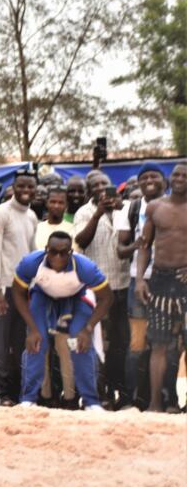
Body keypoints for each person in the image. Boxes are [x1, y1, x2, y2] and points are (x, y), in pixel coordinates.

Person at [13, 232, 112, 410]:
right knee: (37, 341)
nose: (58, 257)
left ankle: (91, 401)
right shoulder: (31, 263)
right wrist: (32, 328)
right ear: (46, 251)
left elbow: (107, 297)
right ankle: (28, 399)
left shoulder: (85, 267)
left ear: (71, 252)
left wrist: (88, 328)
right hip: (43, 297)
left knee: (78, 342)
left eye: (63, 253)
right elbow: (18, 293)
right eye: (53, 252)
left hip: (76, 298)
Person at [73, 171, 130, 407]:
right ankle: (100, 394)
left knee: (121, 343)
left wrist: (116, 209)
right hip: (99, 290)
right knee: (99, 345)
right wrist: (97, 215)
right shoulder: (84, 212)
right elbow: (81, 241)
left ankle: (122, 394)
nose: (100, 188)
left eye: (104, 184)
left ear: (112, 187)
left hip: (124, 285)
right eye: (94, 185)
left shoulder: (126, 208)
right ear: (90, 192)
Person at [134, 162, 187, 412]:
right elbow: (144, 246)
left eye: (185, 175)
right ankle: (156, 403)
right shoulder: (155, 207)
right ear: (170, 178)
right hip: (160, 280)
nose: (180, 178)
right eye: (176, 174)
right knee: (159, 344)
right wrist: (141, 280)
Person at [115, 164, 167, 409]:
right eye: (143, 177)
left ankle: (165, 400)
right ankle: (130, 399)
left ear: (163, 181)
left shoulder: (176, 206)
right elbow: (121, 249)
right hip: (139, 282)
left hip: (170, 283)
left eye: (153, 176)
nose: (149, 180)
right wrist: (138, 245)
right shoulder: (131, 208)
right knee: (137, 344)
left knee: (167, 344)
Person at [0, 170, 39, 406]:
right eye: (22, 186)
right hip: (2, 288)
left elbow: (32, 252)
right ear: (14, 187)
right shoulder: (0, 213)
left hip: (23, 289)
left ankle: (18, 391)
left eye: (31, 187)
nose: (26, 191)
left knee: (19, 342)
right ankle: (2, 392)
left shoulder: (32, 216)